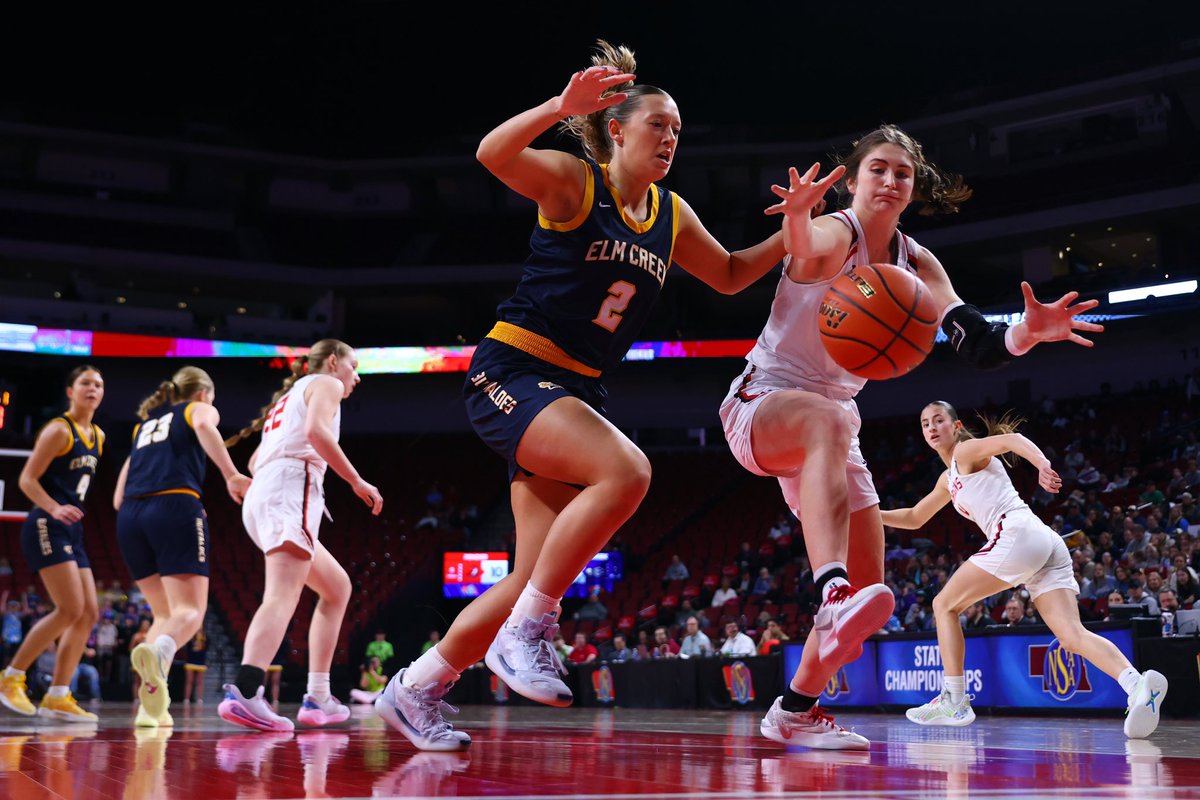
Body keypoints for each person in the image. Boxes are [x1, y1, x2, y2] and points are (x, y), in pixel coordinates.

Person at [375, 39, 836, 752]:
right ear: (617, 129)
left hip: (574, 391)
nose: (671, 139)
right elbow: (492, 155)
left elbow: (732, 274)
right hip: (515, 370)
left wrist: (794, 226)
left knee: (528, 574)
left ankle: (414, 689)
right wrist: (560, 107)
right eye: (659, 125)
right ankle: (531, 631)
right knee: (627, 471)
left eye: (679, 131)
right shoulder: (573, 182)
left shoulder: (670, 214)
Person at [719, 124, 1104, 750]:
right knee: (830, 435)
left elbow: (977, 344)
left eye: (902, 173)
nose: (891, 180)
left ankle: (795, 709)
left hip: (835, 422)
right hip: (761, 401)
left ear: (912, 188)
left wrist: (1026, 334)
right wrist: (795, 218)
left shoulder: (917, 262)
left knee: (876, 592)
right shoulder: (835, 230)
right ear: (851, 178)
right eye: (878, 168)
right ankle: (829, 589)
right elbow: (804, 243)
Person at [881, 401, 1167, 738]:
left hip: (1016, 533)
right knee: (1072, 636)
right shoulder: (948, 479)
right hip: (1042, 542)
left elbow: (1012, 439)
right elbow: (916, 516)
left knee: (943, 605)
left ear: (956, 426)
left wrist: (1042, 465)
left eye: (938, 420)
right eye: (925, 422)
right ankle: (1137, 685)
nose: (931, 427)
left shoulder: (966, 451)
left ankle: (954, 699)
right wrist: (870, 514)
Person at [217, 339, 383, 732]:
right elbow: (316, 433)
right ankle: (244, 691)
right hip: (291, 487)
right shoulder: (326, 384)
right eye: (353, 366)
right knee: (282, 595)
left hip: (266, 493)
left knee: (336, 587)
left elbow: (256, 460)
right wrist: (356, 480)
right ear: (331, 362)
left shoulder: (287, 397)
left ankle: (318, 696)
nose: (355, 377)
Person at [112, 366, 252, 728]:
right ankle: (160, 655)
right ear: (204, 392)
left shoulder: (143, 428)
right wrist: (231, 474)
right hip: (174, 506)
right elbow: (207, 426)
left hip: (129, 516)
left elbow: (115, 498)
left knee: (164, 615)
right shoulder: (196, 408)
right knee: (191, 611)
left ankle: (151, 707)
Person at [0, 365, 105, 722]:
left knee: (89, 612)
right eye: (85, 383)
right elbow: (27, 479)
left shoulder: (99, 436)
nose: (93, 388)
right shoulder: (59, 430)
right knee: (69, 609)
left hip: (71, 529)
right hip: (47, 522)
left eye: (98, 384)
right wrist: (54, 507)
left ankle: (58, 695)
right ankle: (11, 677)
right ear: (70, 391)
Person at [182, 630, 208, 704]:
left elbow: (207, 648)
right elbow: (186, 646)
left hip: (200, 661)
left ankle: (200, 699)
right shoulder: (190, 637)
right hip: (191, 661)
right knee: (189, 681)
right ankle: (186, 699)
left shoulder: (205, 638)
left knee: (200, 682)